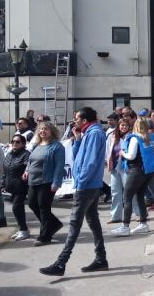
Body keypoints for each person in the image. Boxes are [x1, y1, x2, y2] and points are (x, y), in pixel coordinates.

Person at [40, 107, 108, 276]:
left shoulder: (94, 134)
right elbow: (79, 158)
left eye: (76, 118)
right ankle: (101, 259)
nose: (74, 121)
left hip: (86, 186)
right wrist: (77, 140)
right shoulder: (88, 133)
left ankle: (61, 263)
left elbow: (90, 162)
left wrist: (81, 183)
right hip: (89, 185)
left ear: (84, 120)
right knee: (93, 222)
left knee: (74, 224)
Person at [112, 117, 154, 237]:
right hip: (148, 171)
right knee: (139, 196)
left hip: (136, 170)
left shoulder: (135, 138)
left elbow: (131, 156)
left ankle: (125, 226)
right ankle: (143, 223)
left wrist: (122, 153)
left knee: (127, 197)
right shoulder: (151, 137)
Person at [26, 122, 66, 246]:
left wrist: (56, 182)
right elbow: (31, 160)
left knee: (44, 208)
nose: (43, 131)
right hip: (33, 180)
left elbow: (59, 166)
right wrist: (27, 171)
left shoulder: (57, 147)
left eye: (46, 129)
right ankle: (54, 224)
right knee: (33, 204)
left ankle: (44, 236)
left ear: (52, 131)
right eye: (41, 129)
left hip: (47, 181)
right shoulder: (37, 145)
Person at [3, 134, 30, 241]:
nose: (14, 144)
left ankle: (24, 229)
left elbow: (28, 165)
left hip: (21, 186)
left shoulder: (26, 154)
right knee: (18, 209)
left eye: (18, 142)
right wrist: (2, 184)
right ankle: (22, 229)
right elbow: (4, 171)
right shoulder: (9, 154)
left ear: (23, 144)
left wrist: (26, 172)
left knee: (16, 208)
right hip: (10, 186)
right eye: (13, 141)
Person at [106, 119, 129, 224]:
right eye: (122, 125)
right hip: (115, 168)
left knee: (130, 192)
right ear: (118, 126)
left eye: (126, 125)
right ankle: (116, 216)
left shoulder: (131, 137)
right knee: (115, 192)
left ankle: (139, 214)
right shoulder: (112, 137)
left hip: (127, 168)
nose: (124, 127)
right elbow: (108, 151)